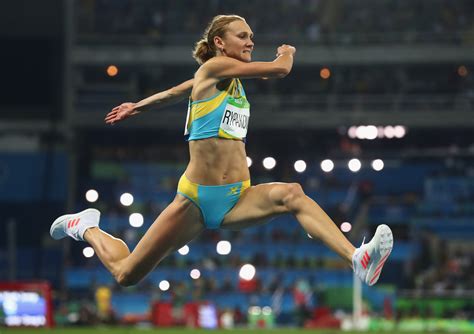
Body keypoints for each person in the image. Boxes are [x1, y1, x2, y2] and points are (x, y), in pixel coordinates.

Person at [50, 15, 393, 287]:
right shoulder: (213, 68)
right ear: (219, 42)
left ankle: (357, 259)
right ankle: (87, 227)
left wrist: (138, 106)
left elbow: (177, 91)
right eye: (242, 36)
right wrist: (286, 52)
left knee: (292, 194)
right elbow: (279, 69)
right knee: (126, 275)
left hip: (237, 197)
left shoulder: (224, 81)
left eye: (251, 36)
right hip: (196, 201)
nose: (250, 41)